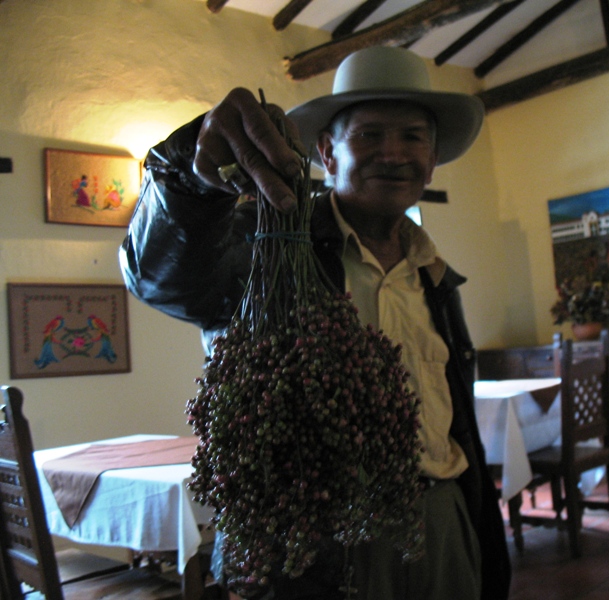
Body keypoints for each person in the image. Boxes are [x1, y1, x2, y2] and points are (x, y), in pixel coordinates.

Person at [120, 46, 510, 600]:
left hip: (439, 521)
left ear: (433, 155)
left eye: (412, 137)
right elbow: (159, 277)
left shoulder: (435, 276)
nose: (393, 153)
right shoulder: (266, 240)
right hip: (311, 543)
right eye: (369, 135)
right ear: (326, 151)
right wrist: (186, 176)